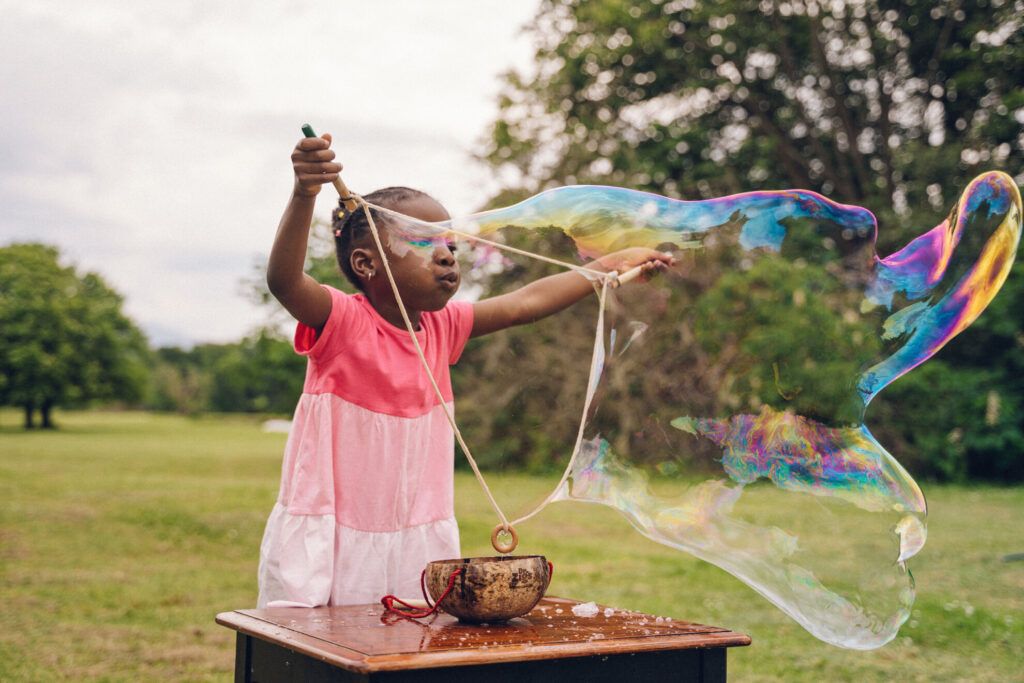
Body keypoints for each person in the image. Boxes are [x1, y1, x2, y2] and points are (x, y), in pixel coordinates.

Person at [257, 132, 675, 607]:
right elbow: (284, 280)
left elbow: (525, 302)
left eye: (450, 245)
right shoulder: (344, 322)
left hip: (416, 535)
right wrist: (304, 193)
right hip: (336, 533)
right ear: (365, 264)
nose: (446, 255)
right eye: (423, 242)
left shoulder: (441, 327)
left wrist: (609, 265)